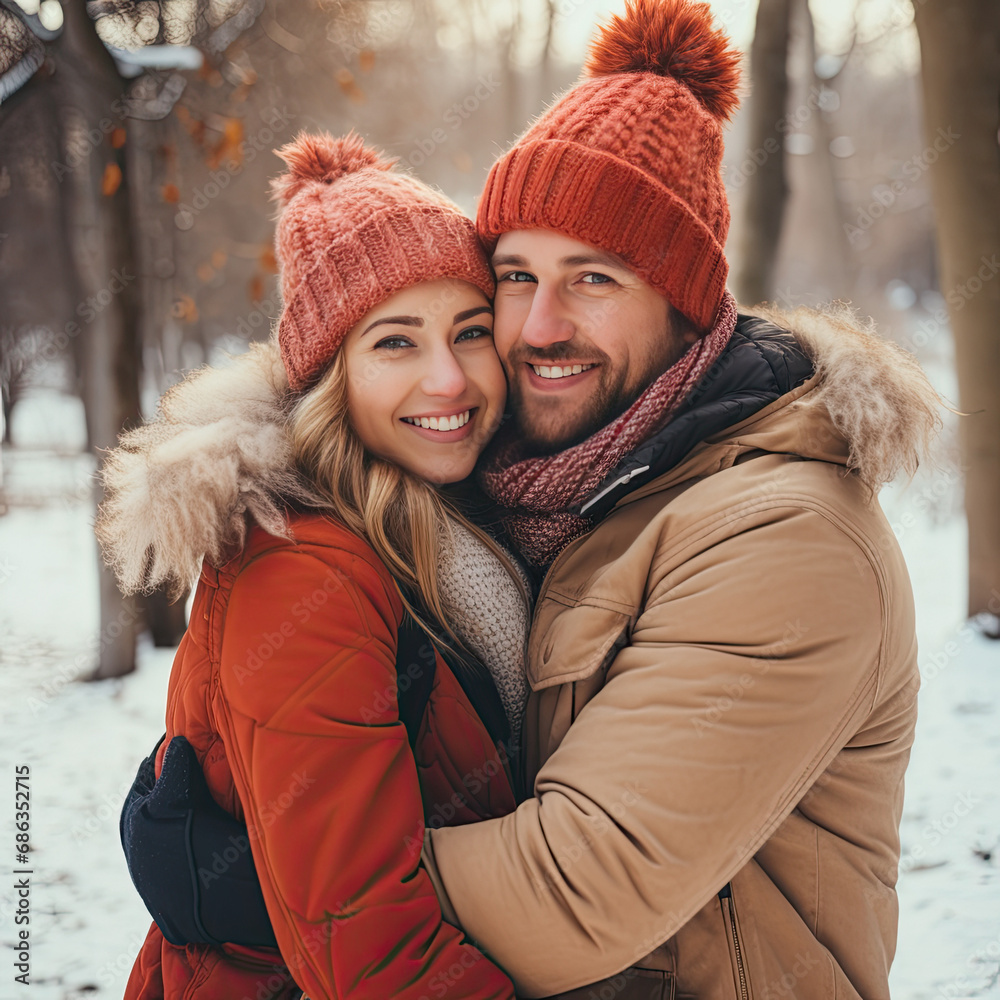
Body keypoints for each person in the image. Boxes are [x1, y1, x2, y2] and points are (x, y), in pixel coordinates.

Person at [121, 1, 943, 998]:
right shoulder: (545, 488)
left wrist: (280, 884)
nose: (539, 326)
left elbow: (574, 889)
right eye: (515, 276)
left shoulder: (781, 533)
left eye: (593, 278)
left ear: (687, 305)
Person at [97, 131, 531, 1000]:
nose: (449, 380)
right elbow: (369, 948)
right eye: (395, 343)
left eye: (471, 331)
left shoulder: (472, 520)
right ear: (329, 377)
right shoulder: (301, 572)